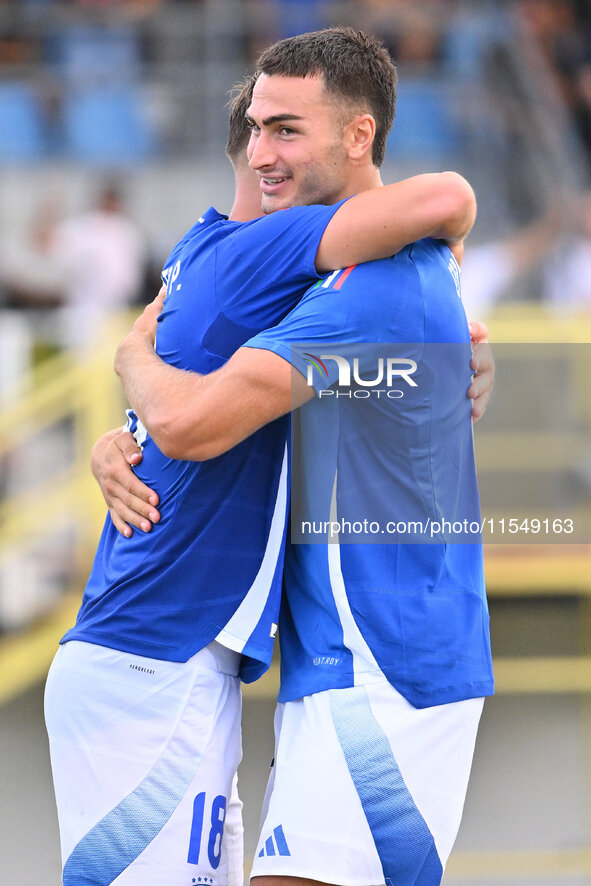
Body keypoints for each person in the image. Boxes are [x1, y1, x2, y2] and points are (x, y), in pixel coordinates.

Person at [44, 29, 489, 886]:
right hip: (230, 660)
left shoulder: (347, 283)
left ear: (357, 137)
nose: (263, 156)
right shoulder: (300, 268)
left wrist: (132, 375)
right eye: (255, 134)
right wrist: (131, 417)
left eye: (285, 131)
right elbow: (446, 207)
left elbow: (192, 422)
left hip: (380, 669)